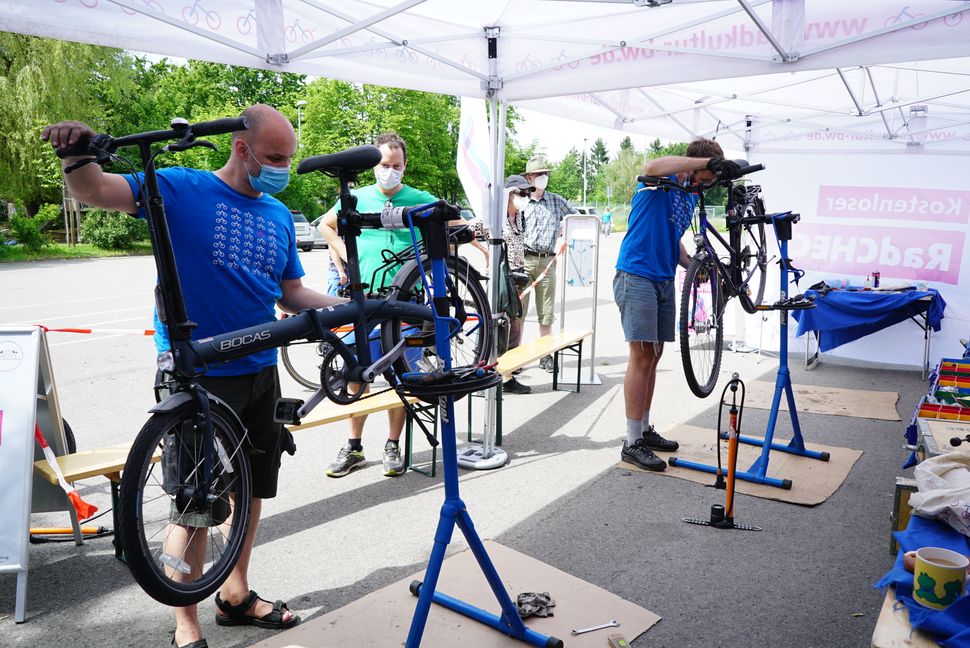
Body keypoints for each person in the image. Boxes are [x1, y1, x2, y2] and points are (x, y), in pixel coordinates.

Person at [42, 105, 344, 648]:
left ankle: (235, 595)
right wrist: (77, 151)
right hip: (196, 373)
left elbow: (290, 293)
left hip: (259, 370)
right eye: (275, 157)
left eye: (289, 159)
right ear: (240, 147)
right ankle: (186, 626)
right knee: (195, 505)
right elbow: (95, 190)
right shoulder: (179, 188)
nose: (283, 168)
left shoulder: (277, 212)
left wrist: (350, 308)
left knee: (252, 491)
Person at [614, 138, 739, 472]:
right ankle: (631, 442)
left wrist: (691, 267)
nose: (710, 184)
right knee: (640, 356)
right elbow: (651, 166)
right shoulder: (660, 183)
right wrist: (696, 163)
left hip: (663, 278)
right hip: (636, 275)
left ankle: (643, 428)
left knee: (653, 356)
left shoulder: (685, 196)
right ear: (696, 166)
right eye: (709, 174)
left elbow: (674, 241)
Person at [317, 132, 437, 478]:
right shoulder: (357, 197)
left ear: (405, 165)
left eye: (396, 166)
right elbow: (326, 225)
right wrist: (345, 260)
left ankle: (393, 444)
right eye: (384, 165)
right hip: (365, 296)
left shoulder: (418, 198)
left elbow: (453, 224)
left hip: (407, 301)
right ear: (374, 167)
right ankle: (353, 446)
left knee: (402, 374)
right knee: (357, 373)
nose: (390, 171)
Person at [467, 175, 534, 394]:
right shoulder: (494, 218)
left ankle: (507, 372)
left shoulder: (519, 217)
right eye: (522, 193)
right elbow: (468, 231)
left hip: (518, 277)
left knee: (515, 326)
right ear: (509, 194)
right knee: (500, 325)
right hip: (501, 278)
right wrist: (485, 251)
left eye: (528, 193)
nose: (526, 197)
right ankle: (493, 372)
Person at [521, 155, 574, 372]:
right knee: (518, 313)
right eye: (539, 174)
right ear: (530, 178)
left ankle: (545, 356)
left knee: (546, 312)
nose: (543, 178)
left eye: (545, 174)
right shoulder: (520, 201)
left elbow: (577, 219)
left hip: (547, 261)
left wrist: (566, 231)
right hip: (524, 260)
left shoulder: (556, 201)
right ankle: (516, 358)